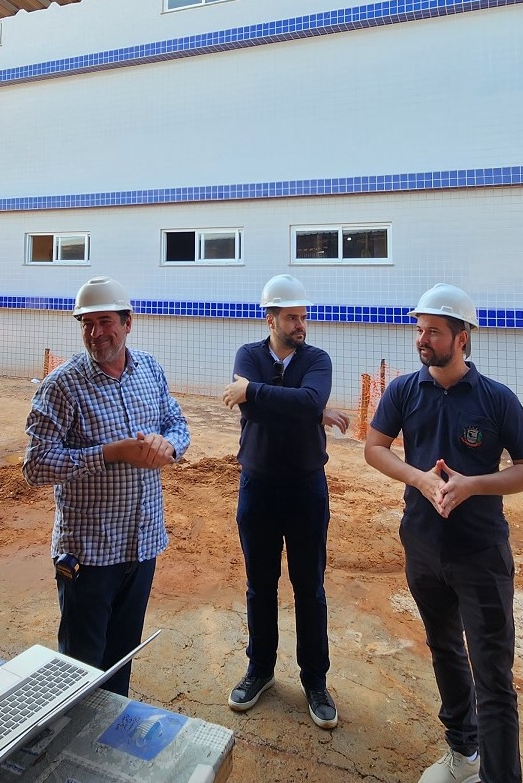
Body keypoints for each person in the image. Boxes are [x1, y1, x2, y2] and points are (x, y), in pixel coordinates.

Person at [365, 283, 523, 783]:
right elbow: (375, 448)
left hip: (480, 555)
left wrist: (473, 485)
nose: (422, 340)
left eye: (434, 332)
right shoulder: (405, 390)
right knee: (445, 650)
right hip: (423, 547)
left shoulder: (495, 399)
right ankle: (464, 753)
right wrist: (419, 479)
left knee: (493, 677)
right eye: (419, 329)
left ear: (462, 338)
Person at [23, 276, 190, 696]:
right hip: (90, 554)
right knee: (80, 668)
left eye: (105, 322)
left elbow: (177, 422)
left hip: (142, 544)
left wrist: (169, 444)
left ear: (127, 323)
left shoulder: (149, 369)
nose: (96, 333)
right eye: (87, 324)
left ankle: (110, 729)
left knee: (120, 659)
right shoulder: (62, 386)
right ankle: (74, 733)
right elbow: (35, 467)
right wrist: (110, 453)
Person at [220, 274, 349, 729]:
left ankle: (315, 681)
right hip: (257, 488)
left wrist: (255, 391)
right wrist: (305, 410)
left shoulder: (317, 359)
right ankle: (260, 670)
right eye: (292, 317)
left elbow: (309, 399)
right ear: (270, 318)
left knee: (309, 588)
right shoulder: (248, 355)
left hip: (306, 489)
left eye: (303, 316)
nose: (301, 325)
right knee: (260, 585)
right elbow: (259, 413)